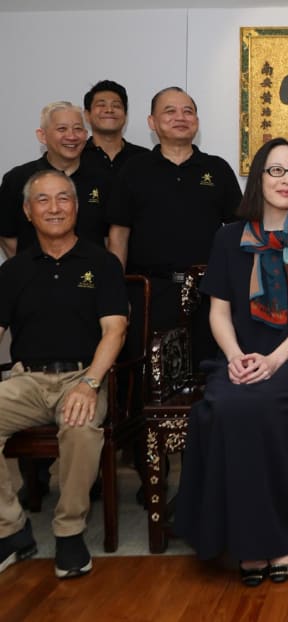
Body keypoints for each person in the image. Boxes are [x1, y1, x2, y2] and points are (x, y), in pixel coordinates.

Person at [174, 138, 288, 586]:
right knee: (228, 408)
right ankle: (258, 544)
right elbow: (218, 312)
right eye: (275, 171)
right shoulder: (229, 237)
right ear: (258, 178)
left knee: (252, 408)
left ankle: (265, 544)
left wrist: (273, 360)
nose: (286, 181)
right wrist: (235, 358)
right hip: (237, 359)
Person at [0, 170, 128, 578]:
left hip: (82, 376)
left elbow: (115, 329)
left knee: (79, 425)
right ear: (27, 210)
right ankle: (11, 528)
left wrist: (91, 383)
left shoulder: (102, 263)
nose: (54, 208)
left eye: (62, 199)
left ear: (75, 206)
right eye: (43, 200)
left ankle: (70, 532)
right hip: (26, 381)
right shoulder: (13, 271)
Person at [106, 86, 242, 365]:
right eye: (170, 111)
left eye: (188, 111)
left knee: (206, 370)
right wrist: (117, 294)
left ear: (197, 121)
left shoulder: (217, 169)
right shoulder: (133, 170)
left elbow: (240, 233)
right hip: (148, 292)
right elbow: (118, 236)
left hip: (208, 293)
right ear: (152, 122)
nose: (180, 117)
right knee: (149, 376)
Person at [0, 102, 109, 258]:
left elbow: (109, 236)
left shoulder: (104, 180)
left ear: (86, 135)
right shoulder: (17, 179)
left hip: (89, 278)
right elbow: (6, 235)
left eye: (78, 129)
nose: (71, 136)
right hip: (34, 279)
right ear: (42, 135)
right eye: (61, 129)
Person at [81, 79, 148, 178]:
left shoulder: (144, 158)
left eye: (116, 105)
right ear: (87, 115)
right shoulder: (76, 156)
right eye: (101, 105)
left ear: (125, 115)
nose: (109, 110)